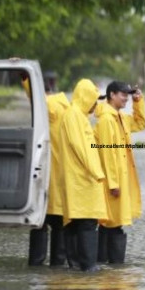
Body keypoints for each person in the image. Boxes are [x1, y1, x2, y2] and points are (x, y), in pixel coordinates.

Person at [94, 81, 145, 264]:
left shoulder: (121, 118)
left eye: (128, 95)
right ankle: (110, 265)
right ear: (112, 95)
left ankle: (108, 267)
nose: (126, 98)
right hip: (112, 182)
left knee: (113, 223)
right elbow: (107, 154)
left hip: (120, 180)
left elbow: (140, 123)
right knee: (111, 223)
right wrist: (113, 183)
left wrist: (138, 101)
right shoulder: (107, 120)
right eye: (123, 95)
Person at [60, 79, 108, 272]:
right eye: (94, 100)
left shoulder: (77, 115)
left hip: (80, 178)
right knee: (87, 222)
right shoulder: (74, 116)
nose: (96, 105)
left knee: (76, 221)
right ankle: (88, 266)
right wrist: (97, 173)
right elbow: (82, 148)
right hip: (83, 179)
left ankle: (77, 266)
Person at [27, 77, 70, 267]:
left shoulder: (49, 105)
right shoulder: (66, 107)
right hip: (61, 175)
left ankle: (36, 264)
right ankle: (57, 266)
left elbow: (35, 98)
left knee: (39, 223)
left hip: (46, 174)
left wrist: (26, 80)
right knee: (59, 225)